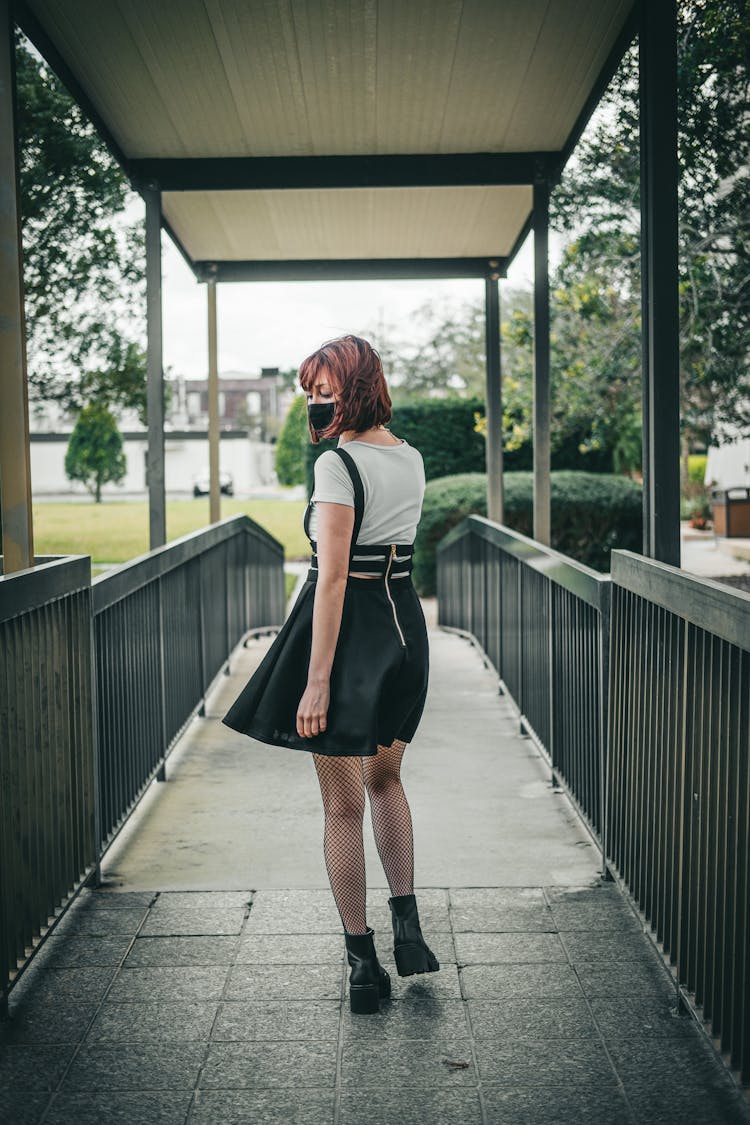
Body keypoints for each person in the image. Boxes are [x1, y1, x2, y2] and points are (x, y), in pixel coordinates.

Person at [222, 334, 439, 1014]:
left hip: (352, 645)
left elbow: (335, 577)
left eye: (326, 392)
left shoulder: (338, 466)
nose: (316, 405)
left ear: (355, 389)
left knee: (342, 803)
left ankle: (363, 965)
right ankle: (409, 932)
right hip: (407, 635)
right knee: (387, 779)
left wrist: (316, 682)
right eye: (310, 393)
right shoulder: (409, 455)